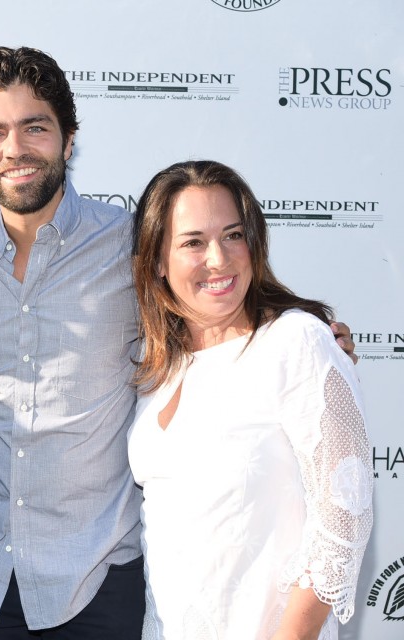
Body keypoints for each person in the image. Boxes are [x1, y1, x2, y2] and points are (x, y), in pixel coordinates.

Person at [0, 46, 359, 639]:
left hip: (99, 580)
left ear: (69, 139)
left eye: (36, 127)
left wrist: (312, 336)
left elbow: (215, 295)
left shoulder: (131, 245)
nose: (15, 149)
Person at [127, 160, 373, 639]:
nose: (218, 259)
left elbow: (345, 516)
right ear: (158, 261)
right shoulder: (157, 367)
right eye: (193, 242)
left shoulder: (297, 343)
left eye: (233, 235)